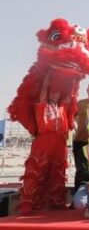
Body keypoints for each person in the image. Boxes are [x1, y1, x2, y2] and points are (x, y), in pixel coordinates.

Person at [17, 71, 71, 214]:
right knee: (35, 170)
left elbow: (69, 94)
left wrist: (72, 76)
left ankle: (57, 201)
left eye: (58, 92)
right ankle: (28, 202)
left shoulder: (62, 107)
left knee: (58, 171)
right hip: (44, 140)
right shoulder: (42, 105)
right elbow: (43, 90)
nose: (55, 94)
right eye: (53, 91)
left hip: (60, 142)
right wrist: (48, 73)